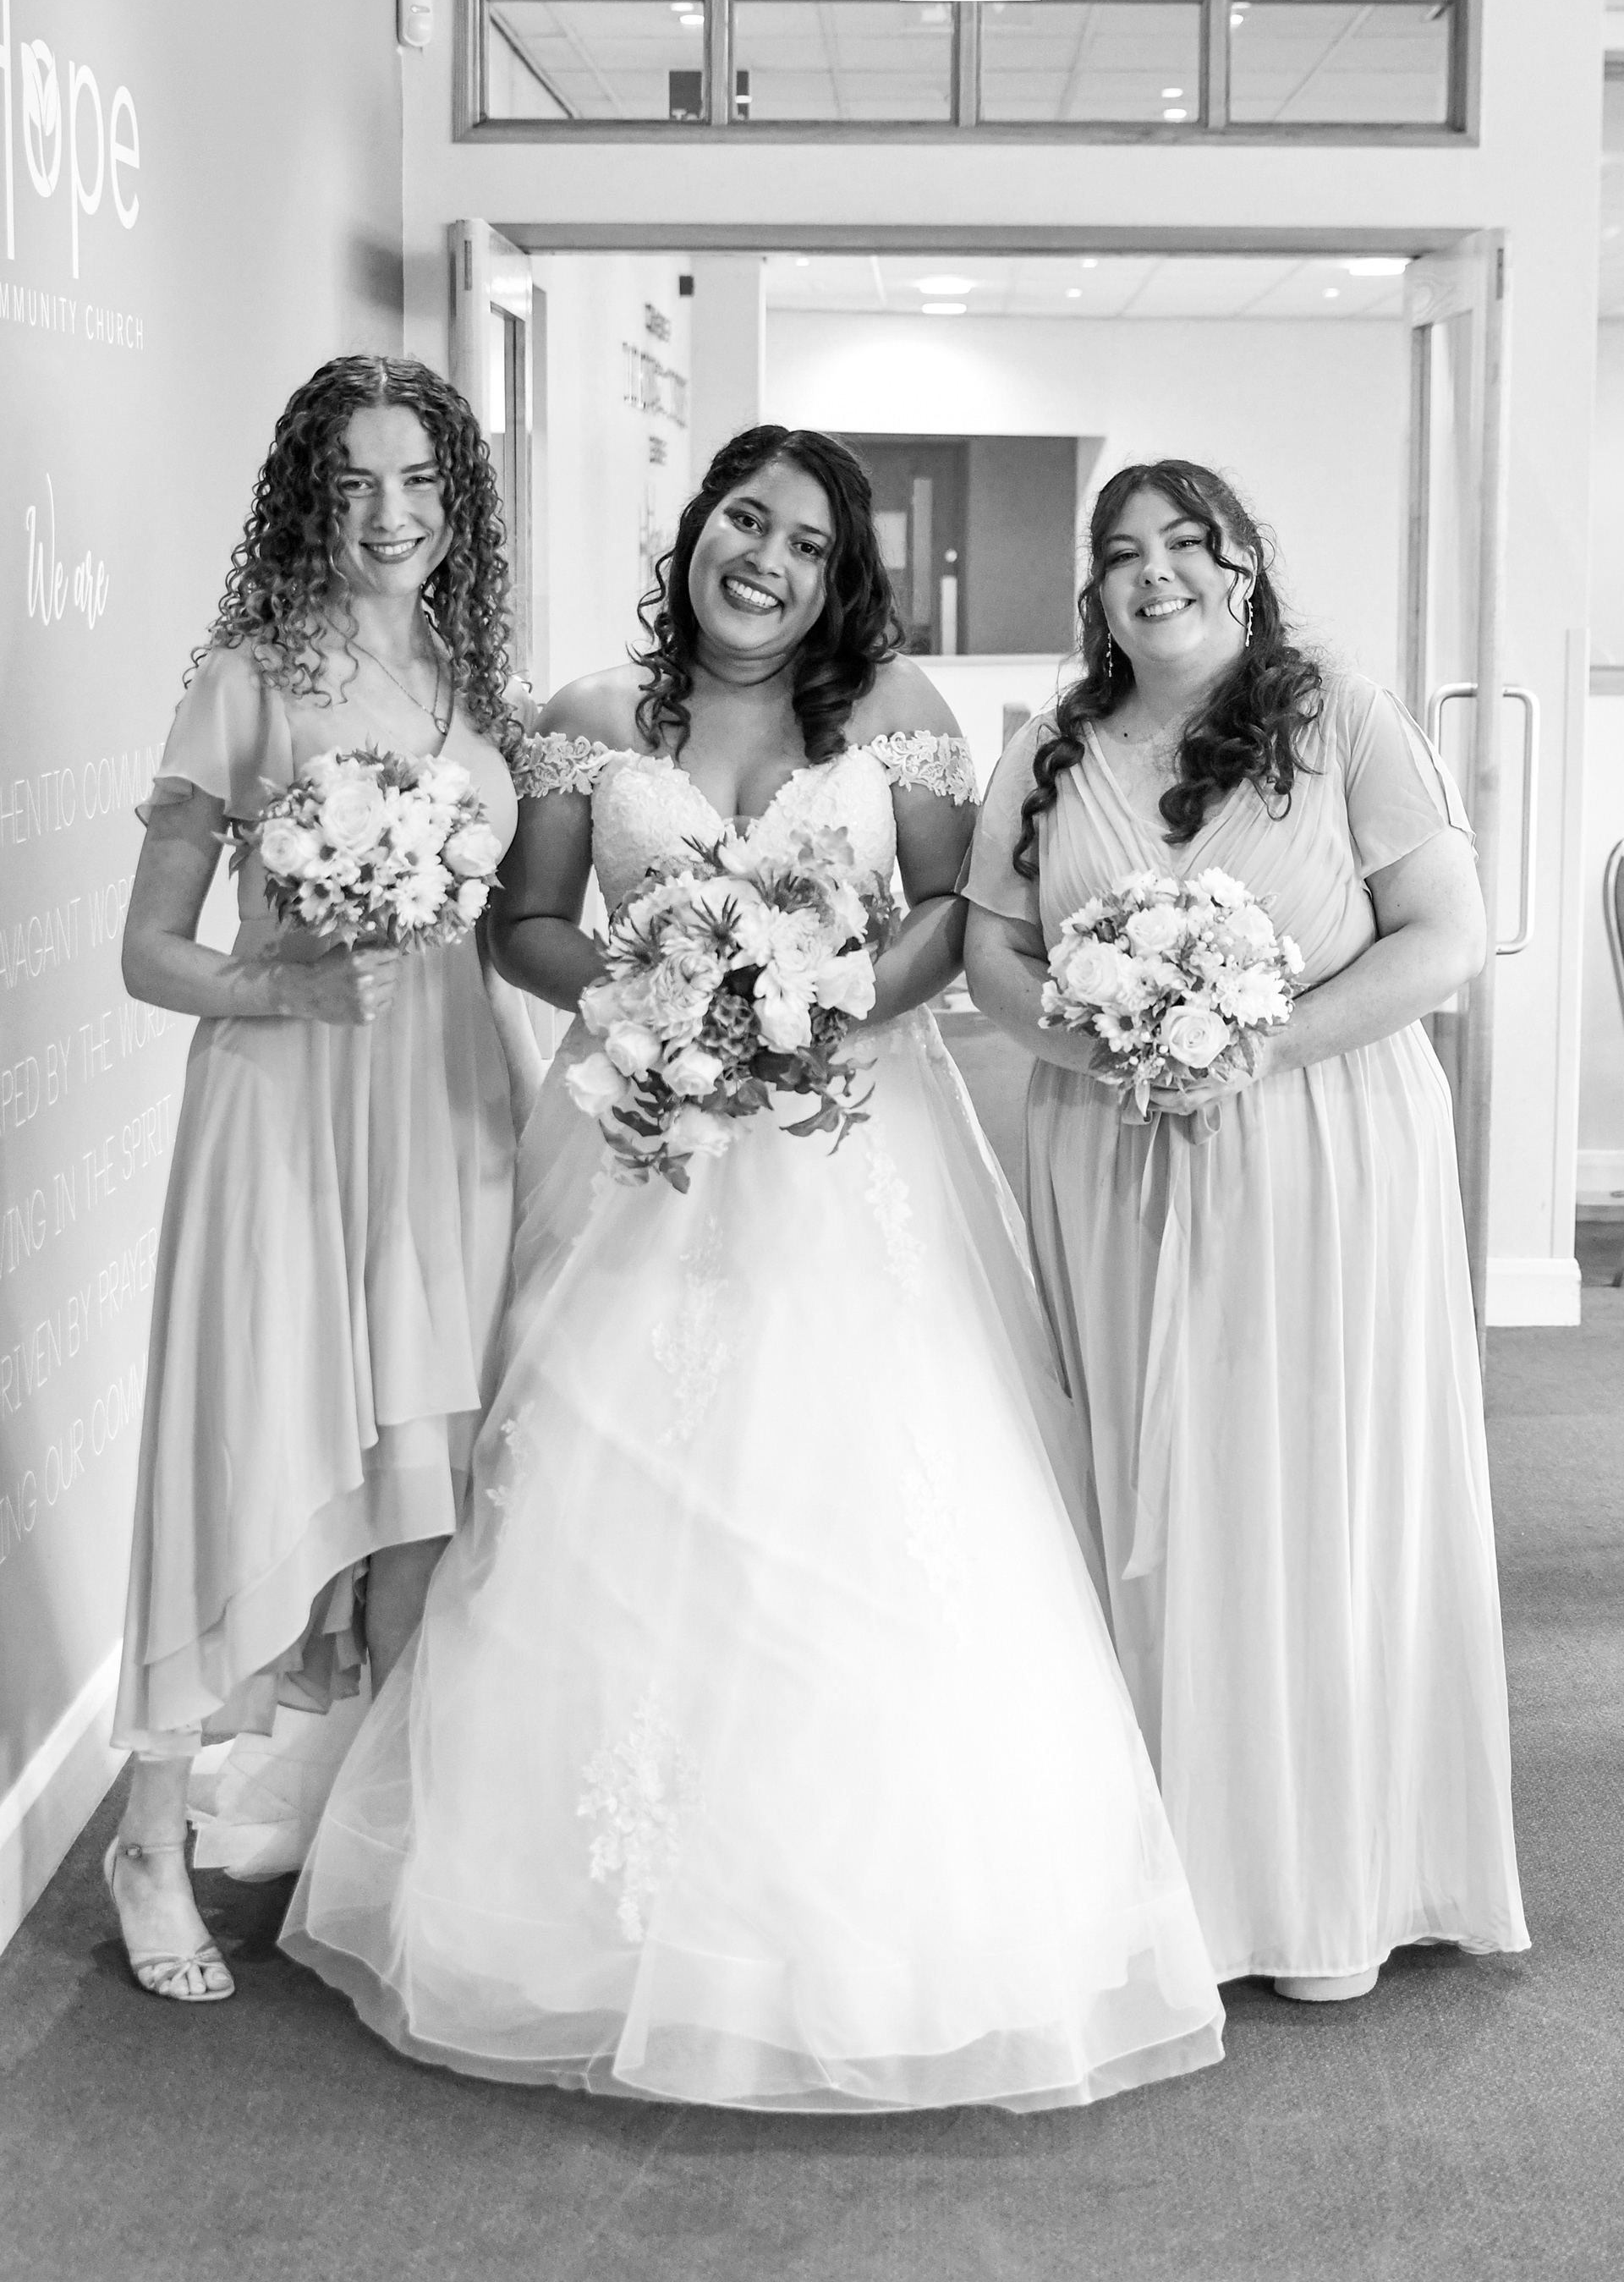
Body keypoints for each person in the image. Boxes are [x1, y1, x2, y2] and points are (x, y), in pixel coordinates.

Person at [280, 425, 1225, 2109]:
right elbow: (527, 922)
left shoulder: (893, 710)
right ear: (699, 529)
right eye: (743, 521)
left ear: (838, 574)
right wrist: (656, 1002)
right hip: (637, 1140)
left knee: (869, 1492)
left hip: (853, 1145)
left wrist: (822, 1011)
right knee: (599, 1488)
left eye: (803, 541)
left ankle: (879, 1910)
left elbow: (944, 912)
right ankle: (588, 1914)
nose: (765, 560)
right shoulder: (591, 716)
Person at [963, 458, 1529, 2002]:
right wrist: (1100, 1047)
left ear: (1242, 563)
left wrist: (1252, 1048)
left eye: (1184, 543)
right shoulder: (1052, 747)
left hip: (1321, 1145)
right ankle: (1167, 1877)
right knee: (1146, 1471)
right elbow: (993, 948)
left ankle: (1327, 1882)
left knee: (1307, 1475)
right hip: (1109, 1146)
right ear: (1095, 589)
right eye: (1121, 553)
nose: (1154, 573)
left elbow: (1449, 938)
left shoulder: (1343, 717)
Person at [107, 355, 536, 2002]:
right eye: (352, 482)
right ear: (307, 500)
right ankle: (151, 1837)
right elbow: (148, 951)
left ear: (459, 501)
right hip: (283, 1108)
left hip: (447, 1106)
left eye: (418, 479)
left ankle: (382, 1838)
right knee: (246, 1446)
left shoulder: (474, 684)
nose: (388, 513)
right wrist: (284, 987)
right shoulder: (247, 678)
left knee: (427, 1474)